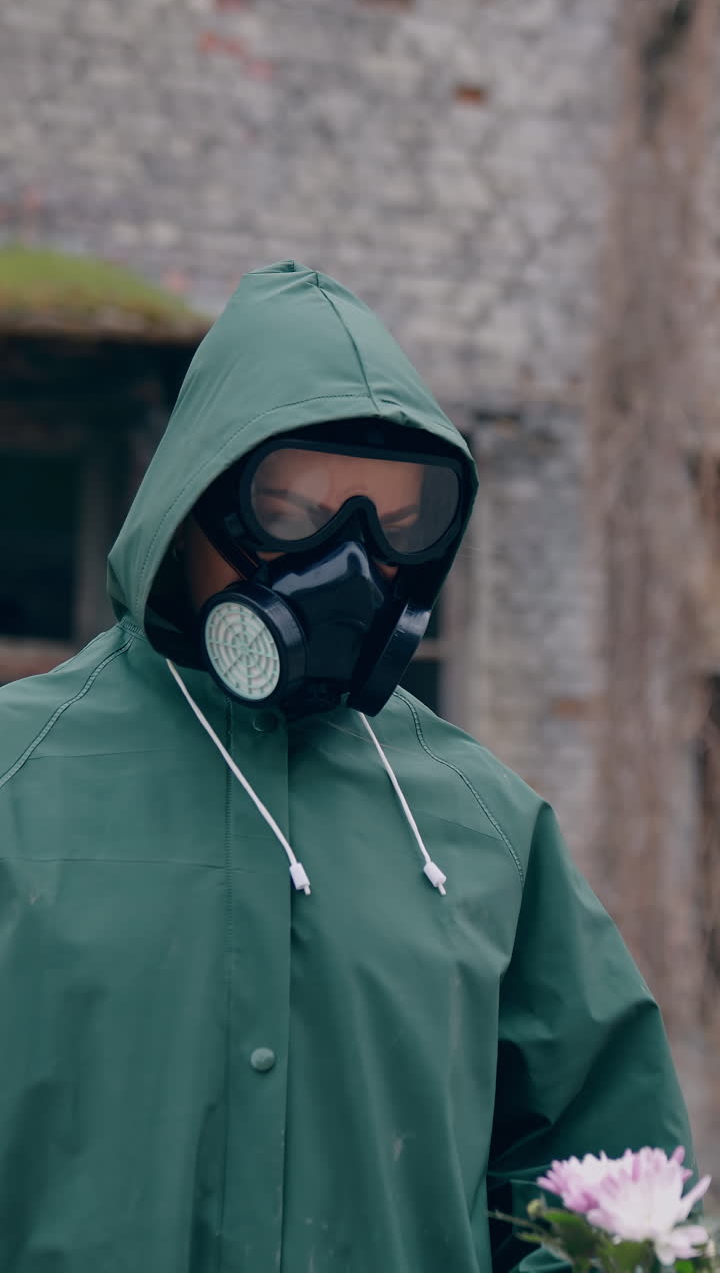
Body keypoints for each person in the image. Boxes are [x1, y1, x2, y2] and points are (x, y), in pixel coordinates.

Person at [0, 261, 696, 1272]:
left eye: (394, 522)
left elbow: (623, 1199)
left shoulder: (484, 831)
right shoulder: (19, 782)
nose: (349, 562)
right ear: (193, 504)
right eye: (291, 509)